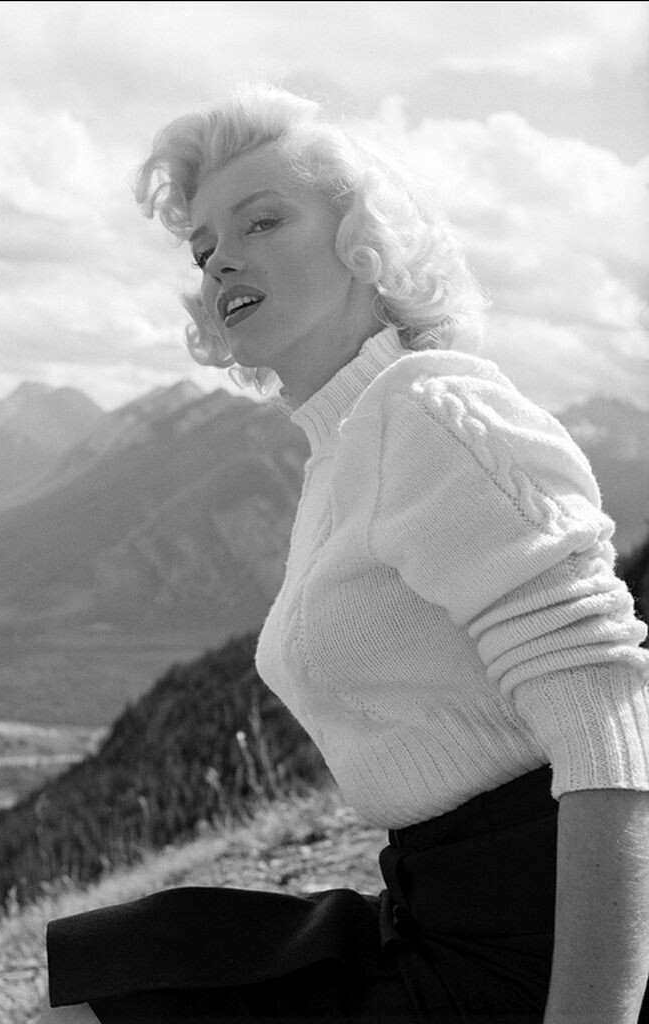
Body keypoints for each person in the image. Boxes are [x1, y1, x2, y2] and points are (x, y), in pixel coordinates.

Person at [38, 84, 649, 1023]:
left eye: (263, 220)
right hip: (431, 913)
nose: (220, 259)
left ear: (365, 241)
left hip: (531, 954)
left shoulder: (430, 410)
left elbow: (609, 715)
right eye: (203, 247)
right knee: (121, 966)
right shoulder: (346, 444)